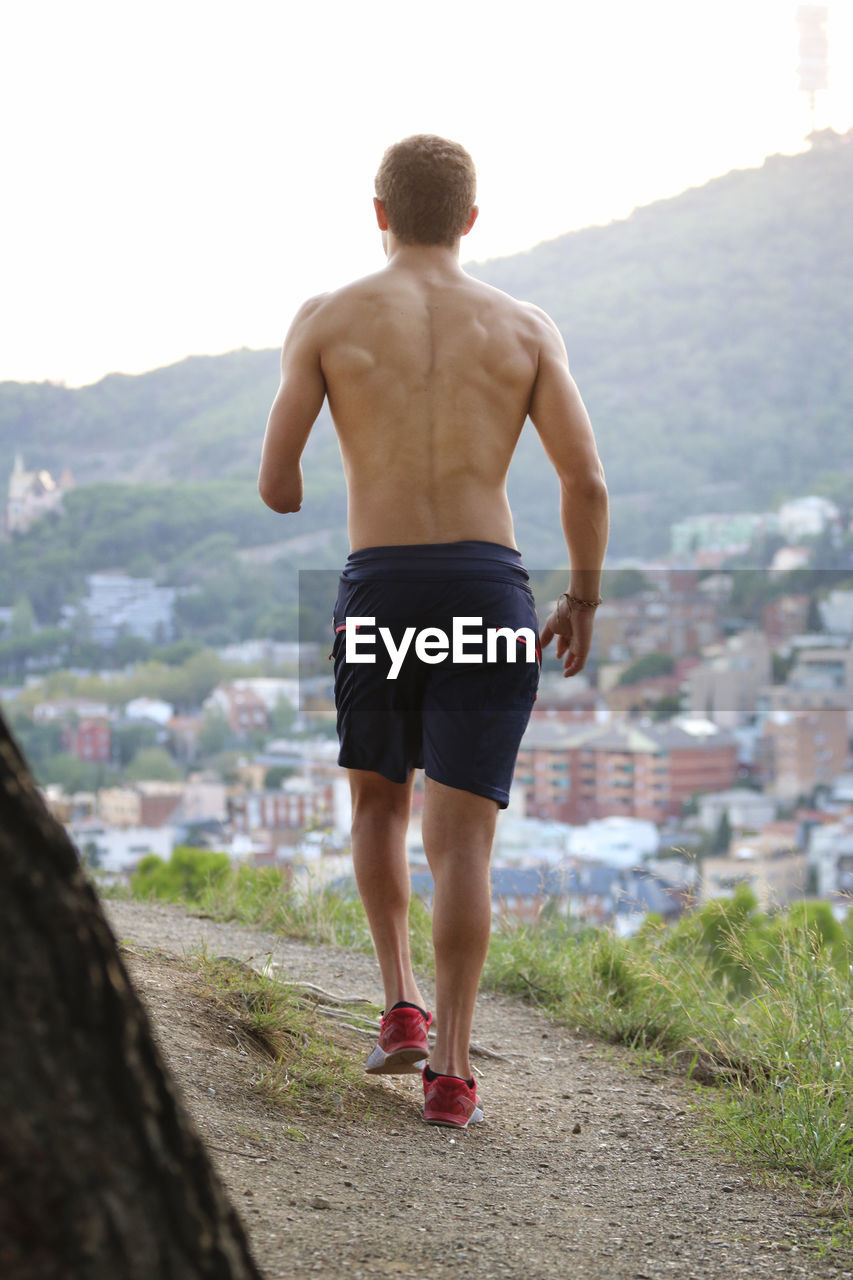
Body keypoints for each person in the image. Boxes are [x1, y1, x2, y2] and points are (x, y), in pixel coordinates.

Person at [259, 134, 609, 1129]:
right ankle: (451, 1073)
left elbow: (276, 486)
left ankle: (400, 1005)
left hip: (381, 590)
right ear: (469, 217)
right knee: (465, 841)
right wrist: (580, 598)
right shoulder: (525, 326)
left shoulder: (327, 319)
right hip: (488, 589)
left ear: (378, 211)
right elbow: (583, 480)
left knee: (379, 804)